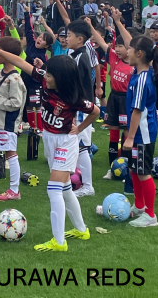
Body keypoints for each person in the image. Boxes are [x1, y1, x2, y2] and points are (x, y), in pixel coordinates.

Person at [0, 44, 98, 251]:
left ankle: (59, 242)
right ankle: (82, 230)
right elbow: (20, 62)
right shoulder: (46, 79)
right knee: (65, 189)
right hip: (50, 139)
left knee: (53, 189)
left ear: (62, 78)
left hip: (65, 143)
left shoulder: (74, 98)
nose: (46, 77)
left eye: (50, 75)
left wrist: (79, 129)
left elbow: (95, 111)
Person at [87, 13, 134, 182]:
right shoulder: (114, 57)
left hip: (127, 100)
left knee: (127, 134)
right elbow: (100, 42)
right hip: (114, 99)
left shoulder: (134, 64)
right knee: (113, 133)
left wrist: (117, 22)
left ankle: (126, 169)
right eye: (117, 46)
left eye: (122, 46)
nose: (119, 49)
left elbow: (131, 42)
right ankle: (112, 168)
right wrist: (91, 26)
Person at [123, 35, 158, 227]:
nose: (126, 51)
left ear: (139, 53)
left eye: (130, 49)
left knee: (143, 172)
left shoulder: (143, 78)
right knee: (134, 169)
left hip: (142, 134)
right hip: (138, 132)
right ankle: (139, 206)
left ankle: (150, 216)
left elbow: (137, 110)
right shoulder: (139, 73)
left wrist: (130, 137)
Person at [0, 37, 27, 201]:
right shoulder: (0, 72)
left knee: (10, 153)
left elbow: (16, 103)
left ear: (8, 55)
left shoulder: (14, 79)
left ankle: (14, 190)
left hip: (7, 123)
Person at [65, 20, 95, 198]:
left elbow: (76, 85)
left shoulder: (80, 57)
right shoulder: (76, 55)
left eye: (69, 35)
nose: (66, 38)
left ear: (80, 39)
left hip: (82, 109)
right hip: (78, 108)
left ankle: (88, 186)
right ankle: (77, 181)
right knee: (76, 146)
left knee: (83, 147)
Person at [21, 6, 54, 134]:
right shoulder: (31, 43)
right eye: (40, 36)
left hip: (36, 84)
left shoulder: (43, 56)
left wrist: (41, 65)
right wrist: (27, 13)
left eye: (43, 39)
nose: (39, 39)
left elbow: (46, 71)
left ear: (47, 45)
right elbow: (28, 29)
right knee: (28, 105)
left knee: (37, 106)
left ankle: (40, 128)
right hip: (26, 81)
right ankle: (32, 127)